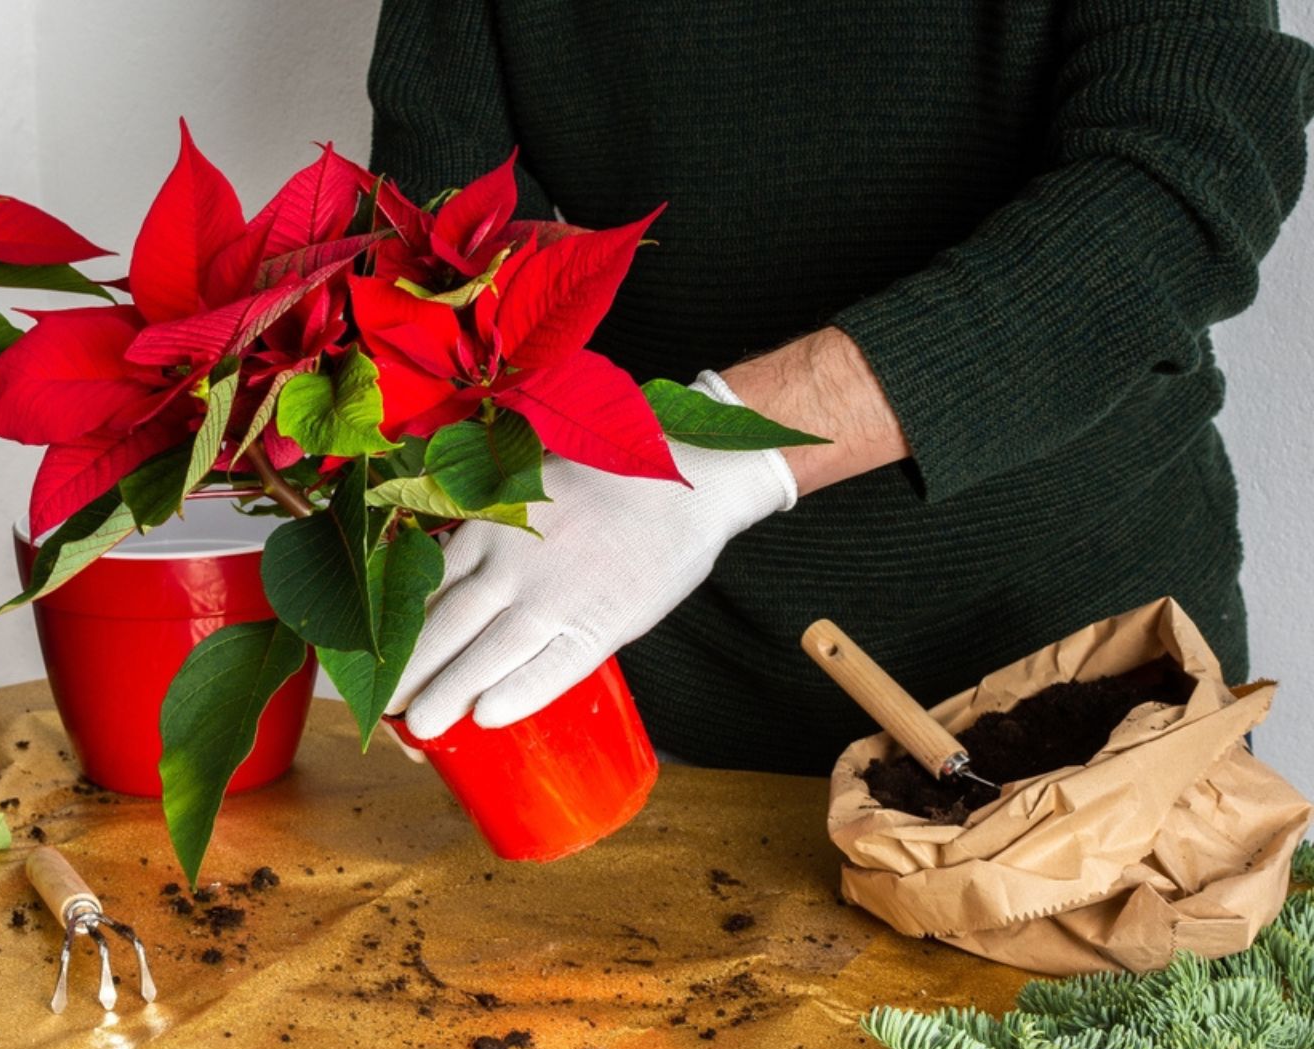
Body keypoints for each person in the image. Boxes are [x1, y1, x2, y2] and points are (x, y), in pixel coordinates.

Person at [366, 0, 1314, 774]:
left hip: (1085, 681)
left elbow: (1189, 173)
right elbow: (440, 228)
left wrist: (727, 450)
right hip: (652, 680)